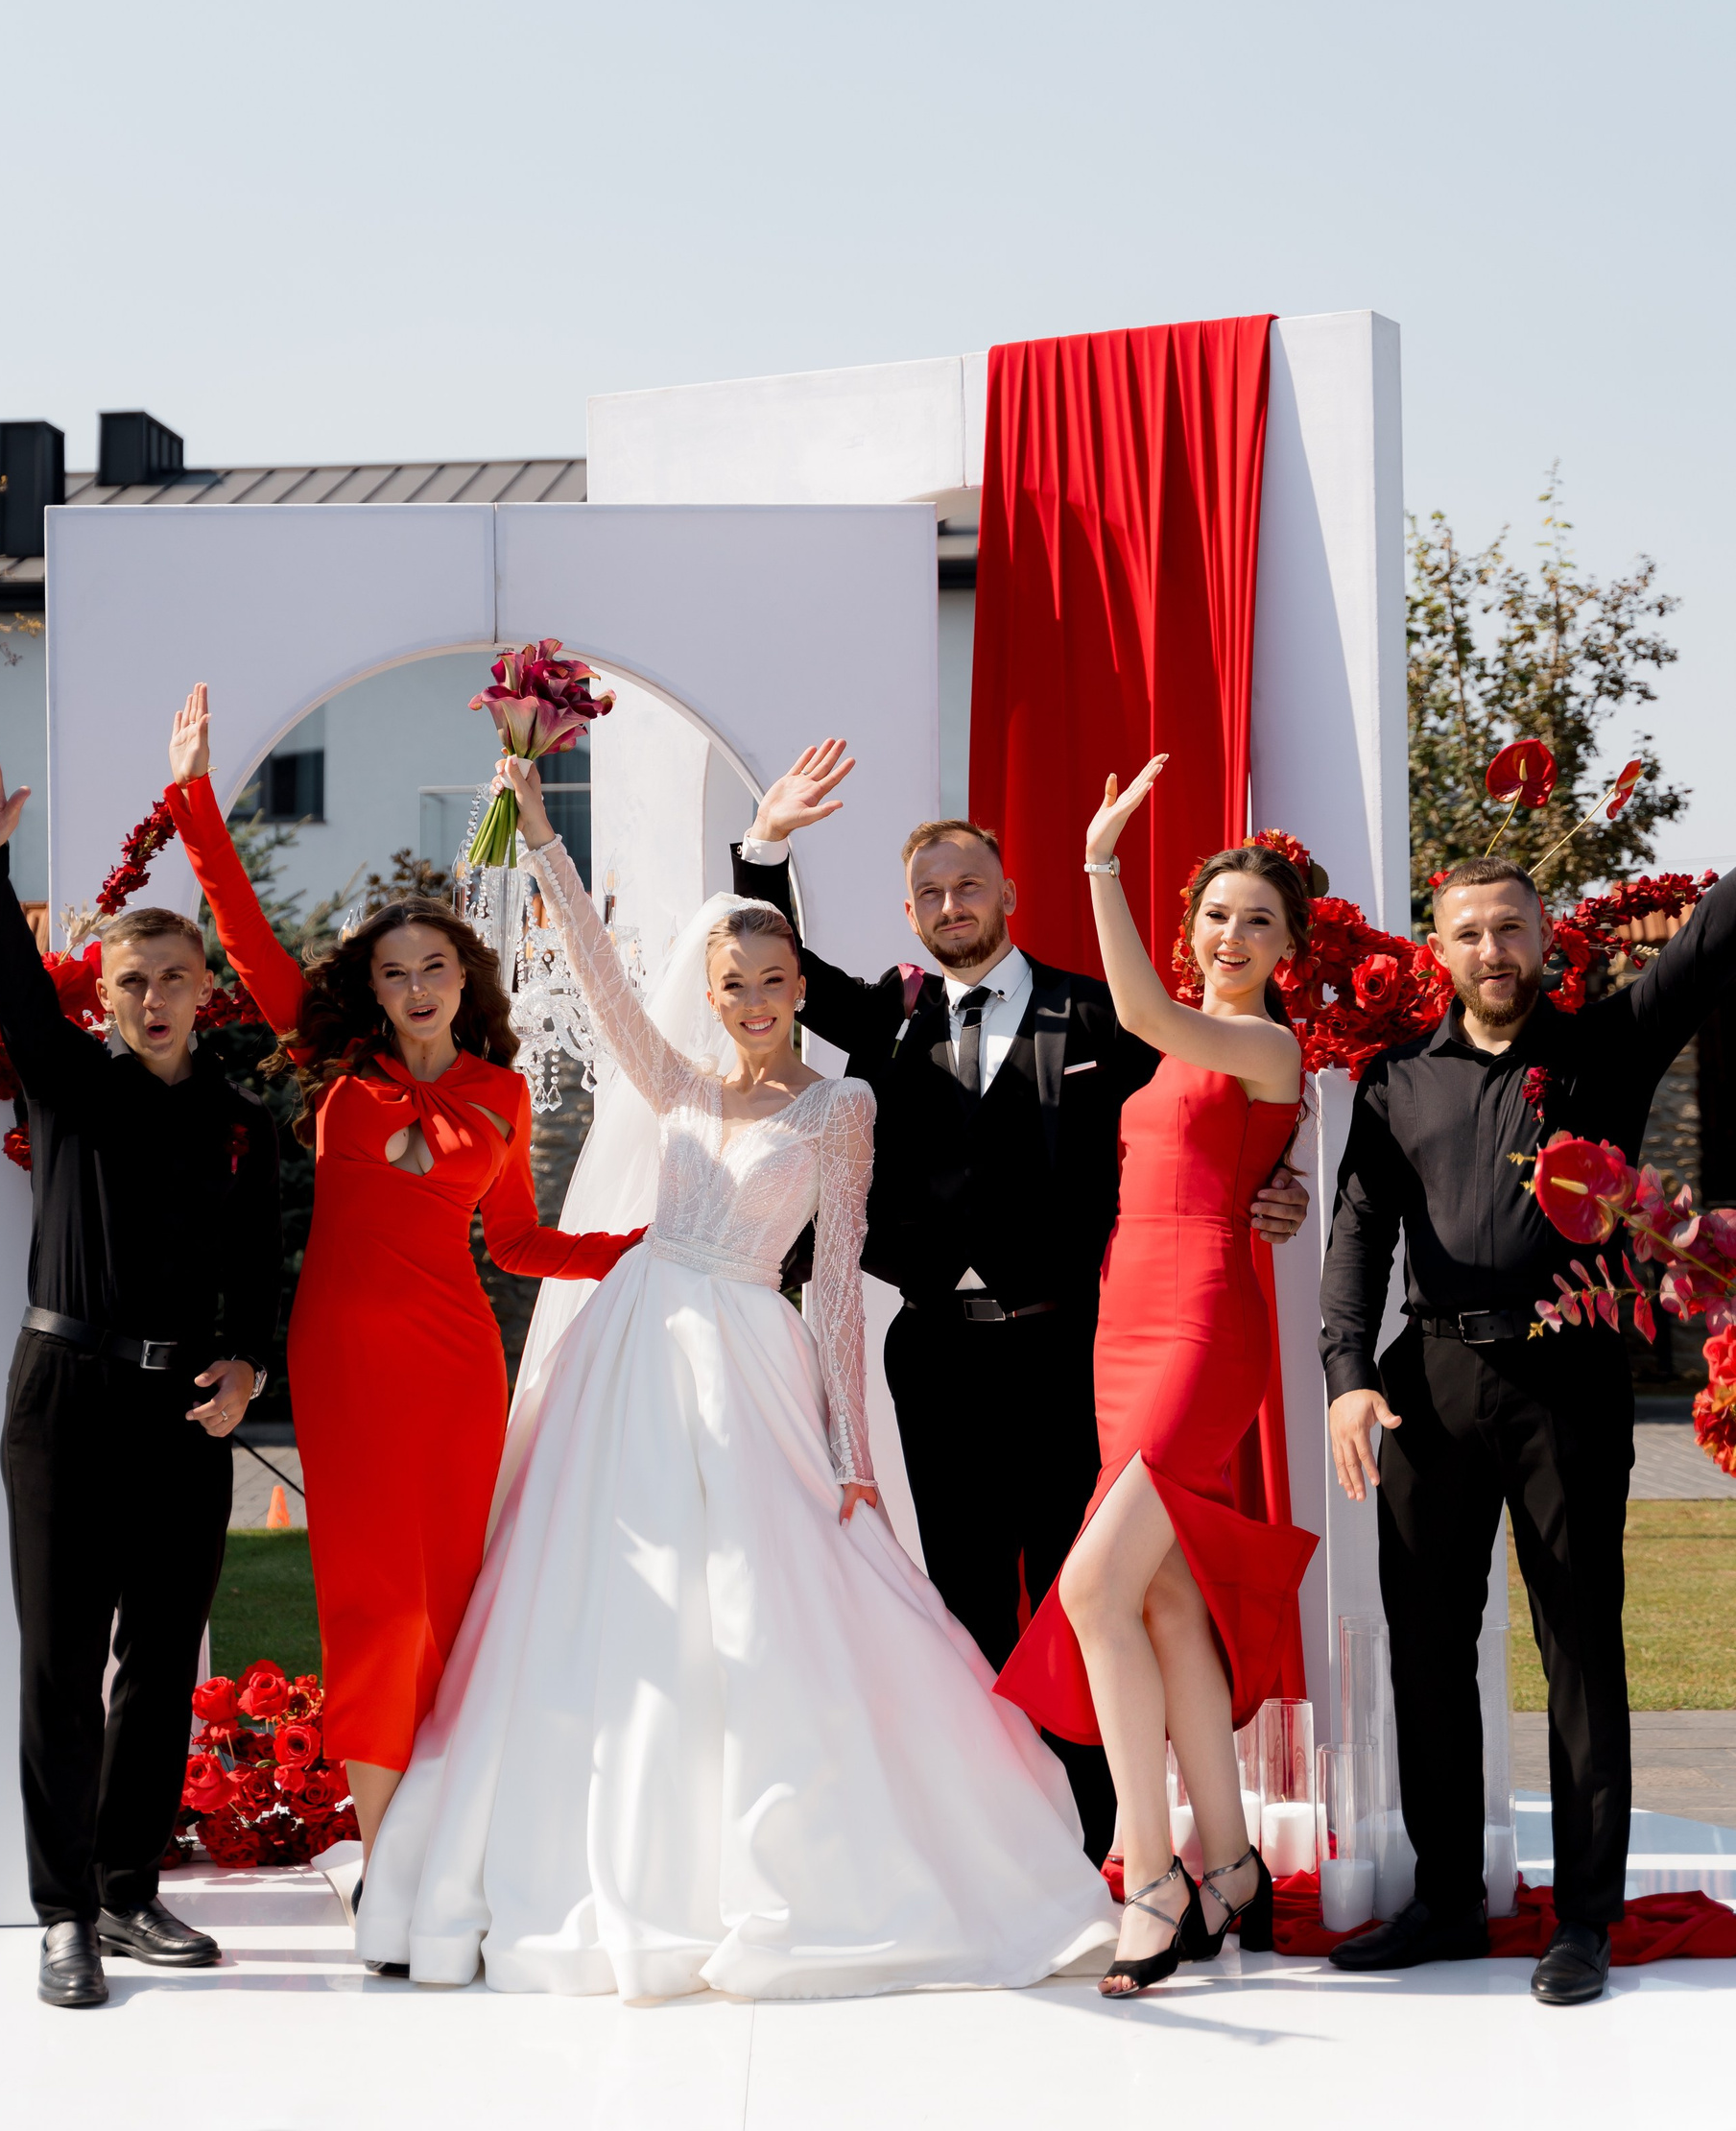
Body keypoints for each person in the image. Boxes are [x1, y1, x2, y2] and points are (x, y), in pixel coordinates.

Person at [355, 754, 1118, 1999]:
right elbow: (598, 979)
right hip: (632, 1356)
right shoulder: (677, 1081)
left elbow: (837, 1292)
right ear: (708, 996)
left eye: (773, 982)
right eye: (734, 985)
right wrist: (544, 836)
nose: (755, 1002)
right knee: (612, 1601)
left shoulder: (841, 1110)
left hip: (753, 1360)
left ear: (798, 989)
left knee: (768, 1607)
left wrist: (850, 1457)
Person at [731, 739, 1310, 1860]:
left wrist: (1273, 1184)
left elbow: (1215, 1111)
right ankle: (995, 1840)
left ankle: (1094, 1838)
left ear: (1008, 894)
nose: (952, 904)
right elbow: (775, 964)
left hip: (1072, 1351)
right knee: (961, 1598)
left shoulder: (1103, 1016)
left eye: (970, 885)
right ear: (909, 913)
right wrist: (764, 850)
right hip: (934, 1352)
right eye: (930, 892)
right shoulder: (888, 1014)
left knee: (1076, 1586)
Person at [162, 684, 644, 1871]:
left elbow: (515, 1243)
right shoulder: (335, 1064)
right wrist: (194, 799)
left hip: (458, 1366)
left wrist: (638, 1249)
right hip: (346, 1360)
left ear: (462, 980)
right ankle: (386, 1868)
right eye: (394, 972)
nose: (417, 985)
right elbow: (245, 937)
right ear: (370, 989)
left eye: (434, 966)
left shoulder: (503, 1092)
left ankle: (455, 1845)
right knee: (371, 1597)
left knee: (453, 1594)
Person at [1320, 851, 1736, 2006]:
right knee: (1426, 1644)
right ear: (1438, 950)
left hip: (1570, 1379)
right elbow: (1358, 1234)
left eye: (1511, 929)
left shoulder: (1609, 1047)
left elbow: (1713, 939)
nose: (1493, 951)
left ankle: (1586, 1921)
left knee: (1579, 1644)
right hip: (1429, 1382)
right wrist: (1347, 1374)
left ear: (1546, 939)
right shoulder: (1395, 1078)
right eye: (1470, 933)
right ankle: (1448, 1899)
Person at [0, 745, 282, 2012]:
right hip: (65, 1400)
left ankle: (131, 1891)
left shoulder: (243, 1123)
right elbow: (13, 979)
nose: (153, 996)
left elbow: (261, 1272)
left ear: (206, 991)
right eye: (132, 979)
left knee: (162, 1662)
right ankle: (64, 1914)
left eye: (174, 976)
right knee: (61, 1661)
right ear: (110, 997)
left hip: (186, 1414)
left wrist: (249, 1365)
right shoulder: (70, 1082)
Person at [994, 759, 1317, 1994]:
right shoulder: (1192, 1039)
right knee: (1165, 1601)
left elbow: (1140, 1013)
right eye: (1217, 914)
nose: (1232, 934)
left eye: (1258, 921)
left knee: (1091, 1588)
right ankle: (1230, 1863)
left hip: (1201, 1324)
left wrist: (1097, 863)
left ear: (1287, 948)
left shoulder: (1263, 1041)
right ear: (1194, 927)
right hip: (1122, 1322)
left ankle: (1149, 1875)